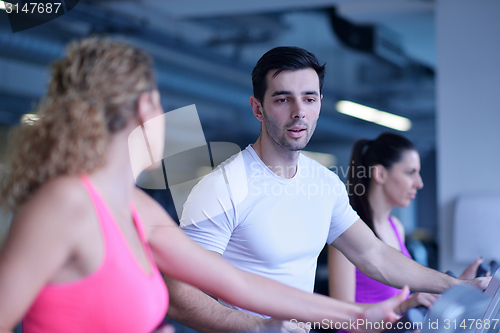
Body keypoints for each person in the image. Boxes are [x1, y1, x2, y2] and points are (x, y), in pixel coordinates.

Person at [0, 37, 412, 333]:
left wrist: (355, 316)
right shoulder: (67, 203)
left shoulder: (135, 207)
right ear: (146, 107)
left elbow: (237, 284)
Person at [165, 46, 490, 332]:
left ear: (320, 103)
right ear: (257, 108)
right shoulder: (222, 187)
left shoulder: (323, 183)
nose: (298, 111)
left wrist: (456, 286)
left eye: (309, 98)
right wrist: (259, 327)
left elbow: (372, 254)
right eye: (282, 99)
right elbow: (179, 296)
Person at [328, 133, 486, 315]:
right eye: (410, 172)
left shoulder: (395, 227)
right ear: (380, 174)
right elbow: (340, 314)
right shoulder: (346, 235)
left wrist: (459, 287)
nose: (419, 183)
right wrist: (405, 305)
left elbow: (405, 300)